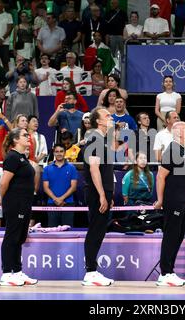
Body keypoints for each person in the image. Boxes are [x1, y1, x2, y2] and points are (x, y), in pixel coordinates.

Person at [154, 121, 185, 287]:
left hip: (182, 200)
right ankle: (165, 272)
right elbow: (160, 176)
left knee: (179, 234)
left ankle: (170, 271)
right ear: (180, 133)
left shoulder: (182, 150)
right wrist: (160, 199)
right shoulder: (172, 149)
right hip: (173, 200)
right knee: (171, 235)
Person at [0, 128, 37, 286]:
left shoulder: (22, 158)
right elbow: (3, 183)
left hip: (25, 204)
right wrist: (3, 200)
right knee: (12, 237)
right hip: (15, 204)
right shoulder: (13, 157)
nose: (28, 137)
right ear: (15, 140)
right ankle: (7, 273)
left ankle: (17, 271)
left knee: (20, 238)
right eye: (24, 135)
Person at [81, 106, 115, 286]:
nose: (111, 118)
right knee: (95, 230)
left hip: (102, 192)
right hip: (95, 192)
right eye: (107, 116)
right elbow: (94, 168)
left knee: (99, 231)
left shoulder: (102, 140)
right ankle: (90, 272)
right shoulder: (94, 138)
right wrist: (102, 194)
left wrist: (108, 194)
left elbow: (104, 170)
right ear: (99, 121)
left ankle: (92, 270)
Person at [43, 143, 78, 227]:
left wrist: (61, 199)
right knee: (52, 232)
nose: (59, 154)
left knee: (68, 232)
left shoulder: (72, 168)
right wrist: (55, 199)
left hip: (68, 203)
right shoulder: (47, 168)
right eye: (57, 151)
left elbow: (73, 187)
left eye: (61, 151)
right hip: (52, 203)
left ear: (65, 152)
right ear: (54, 153)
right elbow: (45, 188)